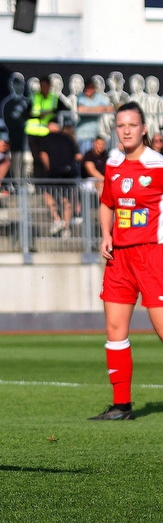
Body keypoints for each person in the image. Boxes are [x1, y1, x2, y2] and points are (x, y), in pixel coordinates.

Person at [89, 103, 163, 421]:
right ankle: (122, 406)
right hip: (119, 257)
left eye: (133, 124)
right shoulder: (114, 162)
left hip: (152, 255)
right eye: (121, 125)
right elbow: (107, 202)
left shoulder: (157, 164)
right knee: (115, 328)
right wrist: (105, 233)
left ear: (144, 128)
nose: (127, 130)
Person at [40, 121, 81, 237]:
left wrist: (48, 169)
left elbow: (43, 155)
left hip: (54, 172)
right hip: (69, 172)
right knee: (66, 200)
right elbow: (78, 156)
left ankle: (57, 219)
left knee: (48, 194)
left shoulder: (46, 138)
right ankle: (67, 229)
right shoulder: (69, 138)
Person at [25, 77, 64, 178]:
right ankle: (38, 183)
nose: (44, 88)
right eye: (42, 86)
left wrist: (51, 113)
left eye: (46, 86)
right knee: (37, 159)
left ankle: (48, 181)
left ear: (49, 86)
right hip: (33, 132)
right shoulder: (33, 97)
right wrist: (38, 116)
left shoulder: (54, 98)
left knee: (47, 158)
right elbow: (25, 113)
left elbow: (64, 110)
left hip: (48, 133)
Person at [76, 78, 114, 156]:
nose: (88, 90)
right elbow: (81, 109)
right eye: (86, 88)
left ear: (94, 88)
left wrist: (89, 109)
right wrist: (99, 108)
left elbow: (110, 108)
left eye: (90, 88)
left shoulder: (100, 97)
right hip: (83, 135)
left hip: (97, 135)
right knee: (84, 158)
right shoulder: (81, 97)